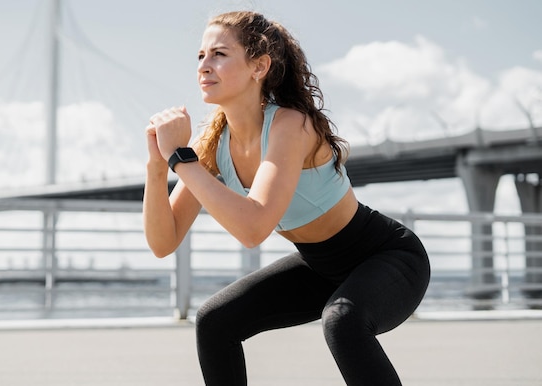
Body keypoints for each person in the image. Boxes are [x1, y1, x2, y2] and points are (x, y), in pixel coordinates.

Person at [143, 10, 430, 386]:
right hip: (318, 266)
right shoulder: (212, 146)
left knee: (343, 321)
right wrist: (157, 163)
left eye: (219, 54)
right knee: (216, 321)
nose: (204, 66)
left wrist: (181, 159)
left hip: (388, 257)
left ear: (258, 66)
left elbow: (253, 227)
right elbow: (163, 242)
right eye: (200, 56)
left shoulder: (290, 126)